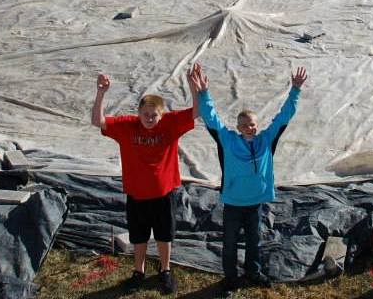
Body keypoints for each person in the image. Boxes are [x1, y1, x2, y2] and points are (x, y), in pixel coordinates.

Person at [190, 64, 306, 293]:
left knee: (255, 241)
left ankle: (253, 272)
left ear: (257, 124)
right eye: (244, 125)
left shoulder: (266, 140)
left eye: (252, 124)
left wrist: (295, 90)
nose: (249, 128)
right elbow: (211, 119)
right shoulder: (228, 140)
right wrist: (204, 93)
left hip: (255, 202)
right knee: (230, 243)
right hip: (233, 202)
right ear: (238, 127)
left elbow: (284, 117)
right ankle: (230, 278)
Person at [90, 71, 200, 295]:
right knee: (138, 235)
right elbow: (97, 121)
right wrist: (101, 93)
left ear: (162, 115)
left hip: (163, 193)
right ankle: (138, 271)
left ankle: (165, 270)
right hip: (137, 194)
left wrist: (194, 89)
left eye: (154, 115)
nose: (149, 119)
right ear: (138, 113)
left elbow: (197, 113)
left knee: (164, 234)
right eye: (145, 114)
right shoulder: (128, 126)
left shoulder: (170, 124)